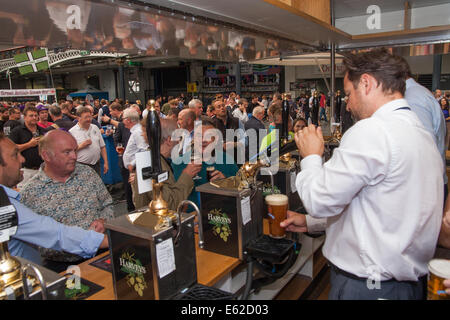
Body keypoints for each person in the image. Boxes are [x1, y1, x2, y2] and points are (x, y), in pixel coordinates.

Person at [282, 48, 444, 300]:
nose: (348, 104)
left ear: (366, 83)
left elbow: (318, 200)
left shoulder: (372, 130)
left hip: (368, 287)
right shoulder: (419, 132)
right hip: (405, 286)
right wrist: (312, 222)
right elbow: (382, 209)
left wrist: (311, 156)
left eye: (348, 94)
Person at [0, 133, 108, 266]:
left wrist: (104, 222)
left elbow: (107, 203)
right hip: (55, 266)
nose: (22, 159)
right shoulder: (26, 195)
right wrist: (112, 240)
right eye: (15, 154)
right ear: (46, 156)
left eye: (74, 150)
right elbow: (56, 234)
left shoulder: (87, 173)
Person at [133, 118, 201, 209]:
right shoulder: (152, 164)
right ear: (169, 140)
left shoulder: (153, 159)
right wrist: (187, 175)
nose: (178, 142)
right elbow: (168, 205)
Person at [172, 119, 239, 207]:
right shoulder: (179, 162)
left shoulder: (226, 159)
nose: (203, 140)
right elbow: (173, 197)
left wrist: (225, 183)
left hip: (221, 215)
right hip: (191, 216)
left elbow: (241, 186)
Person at [9, 105, 46, 188]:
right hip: (26, 170)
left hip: (42, 170)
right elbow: (11, 148)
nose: (34, 118)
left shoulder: (42, 130)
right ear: (24, 117)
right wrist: (29, 144)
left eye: (36, 115)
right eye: (31, 116)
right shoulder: (17, 131)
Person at [69, 106, 108, 176]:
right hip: (81, 166)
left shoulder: (95, 128)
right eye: (86, 117)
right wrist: (81, 146)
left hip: (96, 165)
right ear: (78, 118)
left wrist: (106, 162)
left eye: (90, 117)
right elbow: (69, 152)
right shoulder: (72, 132)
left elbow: (102, 147)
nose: (89, 119)